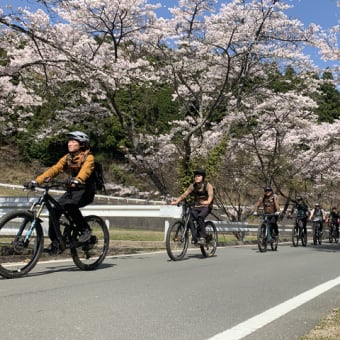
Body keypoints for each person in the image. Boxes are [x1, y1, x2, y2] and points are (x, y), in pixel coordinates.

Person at [30, 131, 96, 254]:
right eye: (69, 141)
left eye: (73, 141)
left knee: (71, 207)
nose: (69, 143)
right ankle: (56, 242)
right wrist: (37, 181)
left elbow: (86, 171)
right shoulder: (67, 157)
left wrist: (78, 180)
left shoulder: (89, 157)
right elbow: (55, 169)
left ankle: (85, 230)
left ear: (82, 144)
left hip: (86, 189)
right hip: (73, 188)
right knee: (54, 211)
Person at [171, 168, 214, 245]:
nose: (197, 177)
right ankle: (194, 237)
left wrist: (207, 202)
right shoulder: (193, 186)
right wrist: (177, 201)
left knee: (200, 217)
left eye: (199, 176)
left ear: (203, 177)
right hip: (197, 206)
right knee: (189, 218)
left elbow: (210, 196)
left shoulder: (208, 186)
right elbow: (185, 194)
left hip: (206, 206)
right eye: (195, 176)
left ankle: (203, 237)